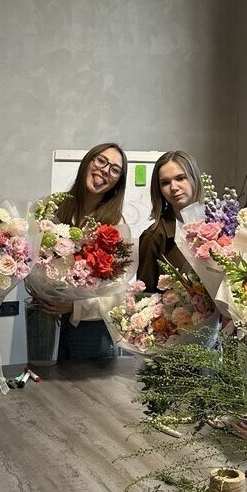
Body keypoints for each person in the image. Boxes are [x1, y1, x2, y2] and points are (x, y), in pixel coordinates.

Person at [38, 142, 128, 360]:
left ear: (118, 181)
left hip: (92, 330)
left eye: (115, 170)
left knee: (89, 383)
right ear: (88, 161)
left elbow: (119, 292)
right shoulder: (51, 206)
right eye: (101, 161)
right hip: (46, 315)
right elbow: (28, 258)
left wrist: (75, 306)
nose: (105, 170)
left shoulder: (116, 224)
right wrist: (38, 288)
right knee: (44, 380)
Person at [137, 150, 204, 292]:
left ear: (194, 179)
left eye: (180, 178)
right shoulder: (153, 236)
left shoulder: (217, 224)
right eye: (165, 183)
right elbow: (144, 295)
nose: (173, 187)